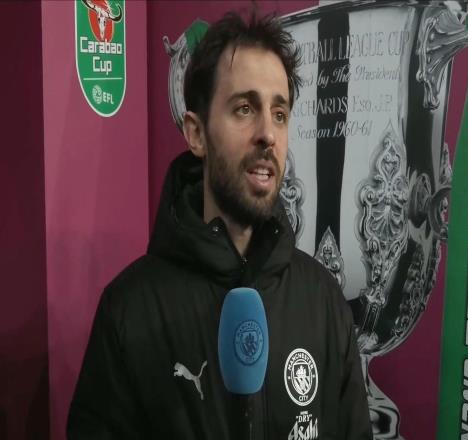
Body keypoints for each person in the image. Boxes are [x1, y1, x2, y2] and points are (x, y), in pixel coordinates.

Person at [67, 10, 372, 440]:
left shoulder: (323, 300)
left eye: (280, 113)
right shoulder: (129, 311)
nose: (268, 134)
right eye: (244, 108)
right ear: (196, 134)